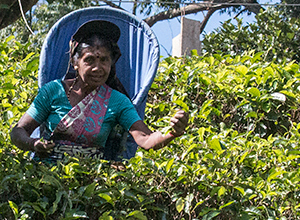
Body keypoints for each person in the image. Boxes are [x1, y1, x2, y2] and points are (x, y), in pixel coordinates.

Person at [11, 19, 189, 161]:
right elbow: (18, 131)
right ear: (75, 62)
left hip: (90, 185)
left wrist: (172, 132)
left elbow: (146, 139)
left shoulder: (117, 101)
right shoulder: (53, 91)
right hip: (45, 180)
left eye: (104, 60)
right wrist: (33, 143)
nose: (98, 68)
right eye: (89, 60)